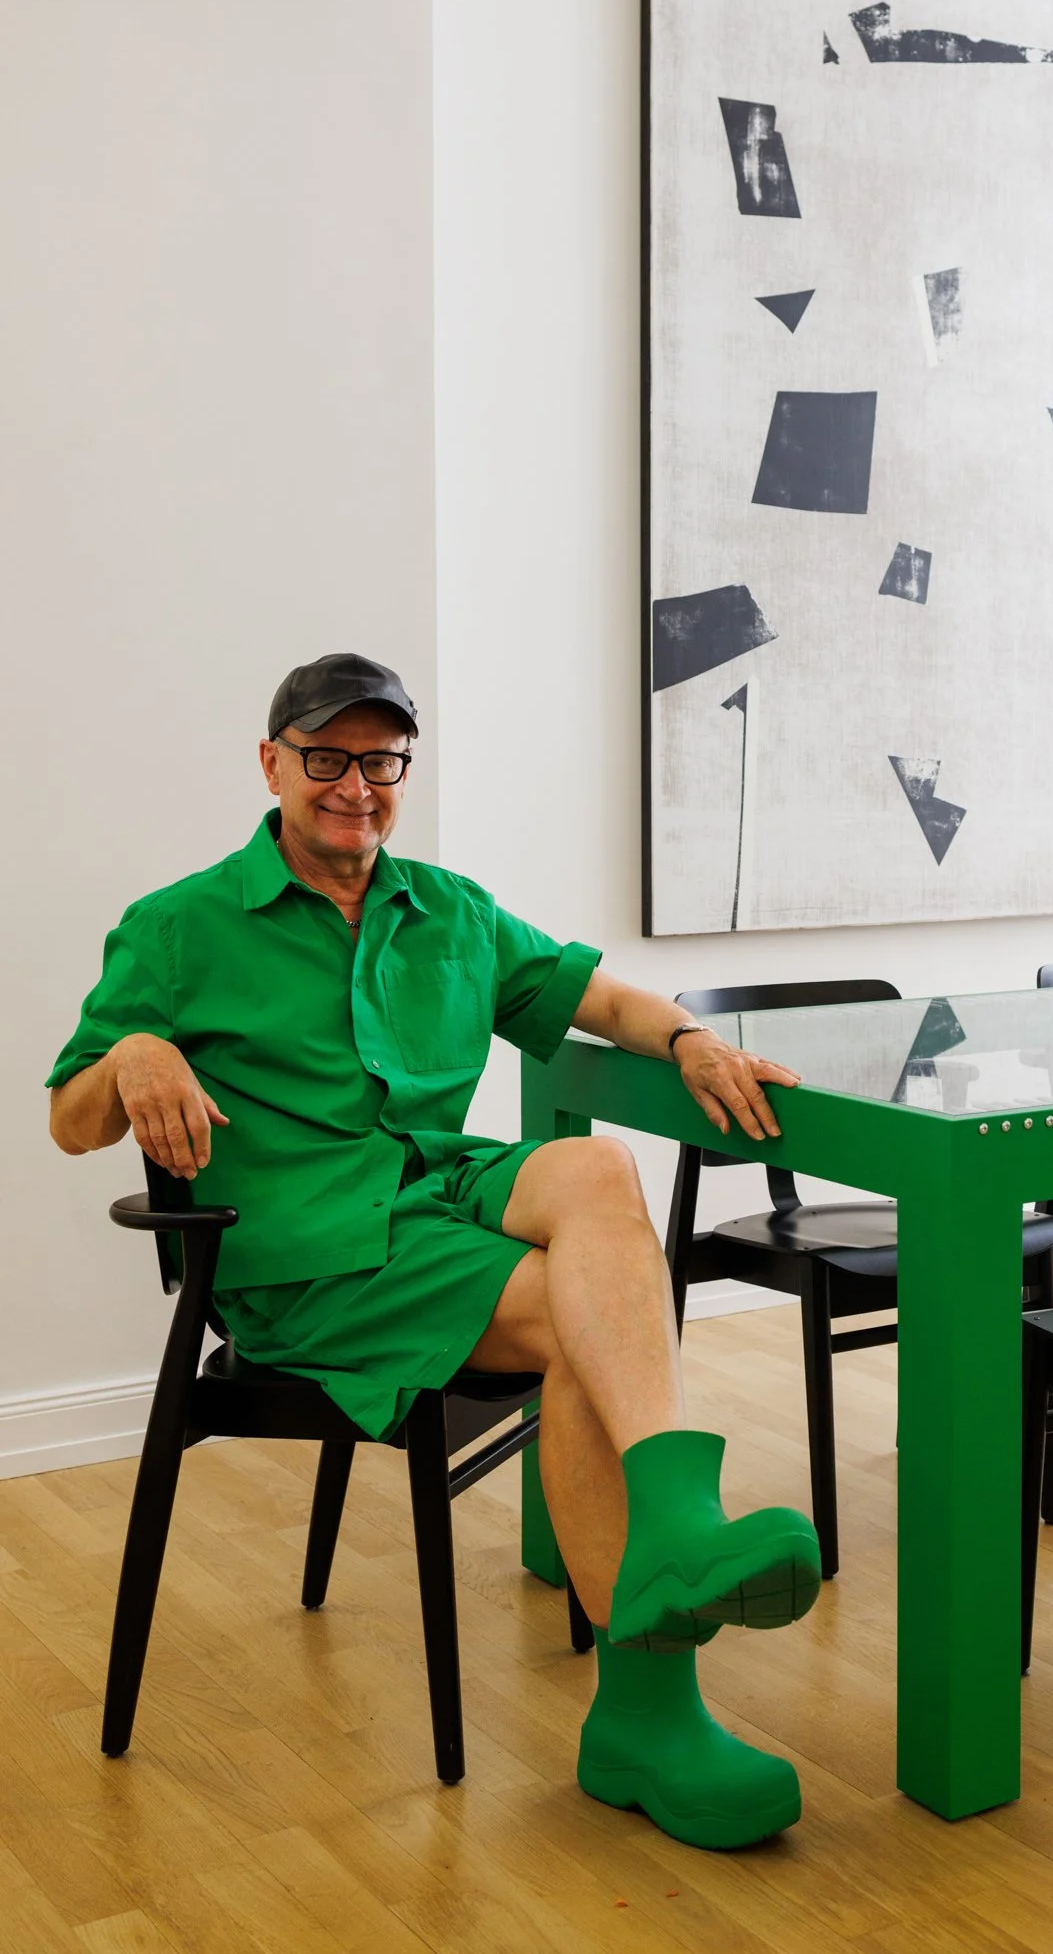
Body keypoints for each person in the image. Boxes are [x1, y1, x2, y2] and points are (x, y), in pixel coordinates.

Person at [49, 652, 816, 1850]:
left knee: (598, 1170)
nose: (356, 784)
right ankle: (647, 1702)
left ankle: (668, 1539)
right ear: (272, 764)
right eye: (327, 757)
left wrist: (687, 1040)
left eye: (382, 760)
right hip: (309, 1262)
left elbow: (594, 999)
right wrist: (135, 1054)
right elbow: (68, 1120)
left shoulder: (445, 909)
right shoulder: (181, 926)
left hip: (440, 1202)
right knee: (587, 1326)